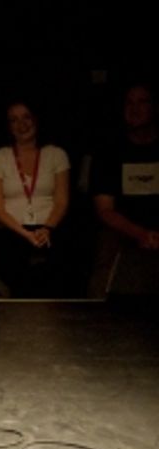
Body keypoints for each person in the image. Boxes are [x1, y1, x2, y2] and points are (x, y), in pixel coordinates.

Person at [0, 101, 71, 297]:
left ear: (36, 120)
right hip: (12, 229)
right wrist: (26, 234)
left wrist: (47, 228)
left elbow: (61, 201)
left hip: (49, 228)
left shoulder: (56, 155)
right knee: (14, 260)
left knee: (56, 261)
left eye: (26, 117)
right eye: (14, 120)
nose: (21, 124)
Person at [89, 82, 159, 296]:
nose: (134, 108)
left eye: (142, 102)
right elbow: (104, 210)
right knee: (106, 255)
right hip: (122, 229)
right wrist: (140, 234)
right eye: (129, 102)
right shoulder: (109, 150)